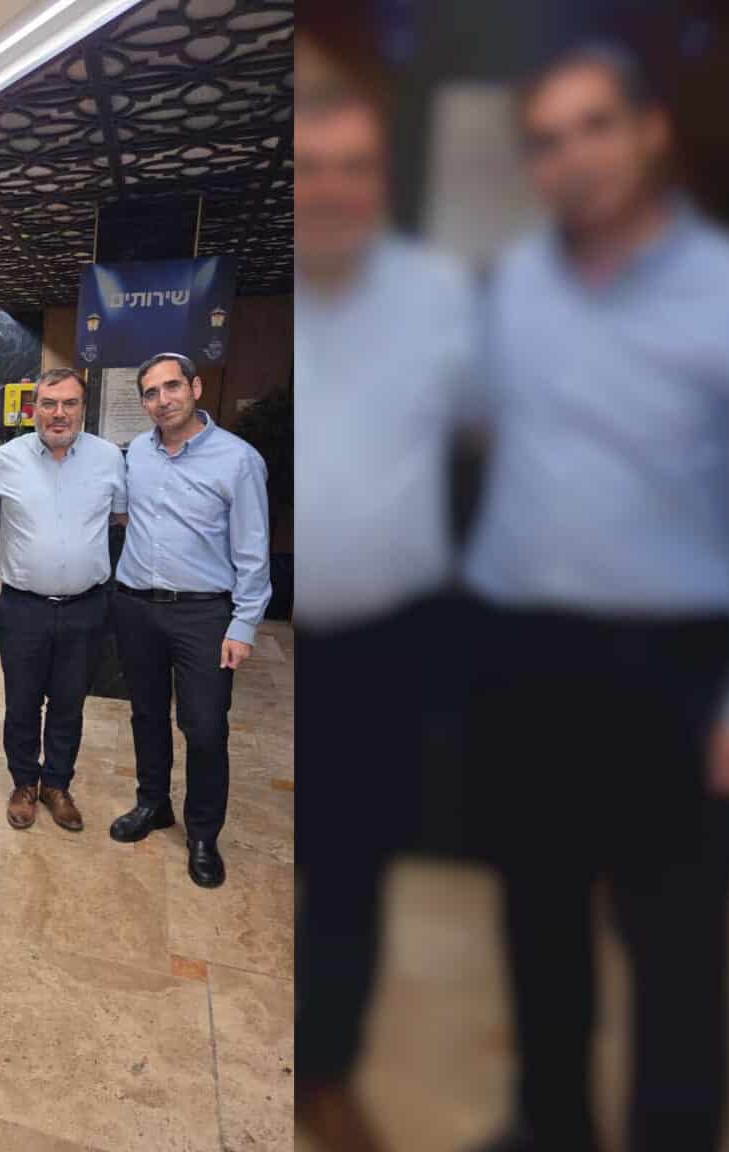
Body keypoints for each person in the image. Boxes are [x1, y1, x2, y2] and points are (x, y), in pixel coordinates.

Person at [463, 42, 729, 1152]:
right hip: (528, 658)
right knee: (538, 923)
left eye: (595, 127)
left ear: (648, 131)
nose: (571, 158)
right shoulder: (516, 290)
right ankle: (550, 1125)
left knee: (674, 949)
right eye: (546, 141)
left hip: (673, 667)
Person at [291, 77, 479, 1152]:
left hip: (387, 641)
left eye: (352, 167)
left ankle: (325, 1071)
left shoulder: (439, 296)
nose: (329, 187)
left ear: (382, 183)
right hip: (300, 637)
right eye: (309, 166)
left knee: (354, 868)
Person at [107, 352, 271, 888]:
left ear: (196, 387)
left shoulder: (238, 460)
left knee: (203, 726)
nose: (163, 400)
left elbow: (253, 550)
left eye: (172, 387)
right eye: (151, 393)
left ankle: (203, 834)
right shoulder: (136, 455)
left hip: (204, 614)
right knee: (147, 714)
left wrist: (243, 624)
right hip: (136, 606)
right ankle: (153, 803)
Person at [0, 367, 127, 833]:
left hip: (86, 608)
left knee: (69, 703)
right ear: (33, 409)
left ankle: (57, 784)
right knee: (21, 703)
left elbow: (122, 517)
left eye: (69, 404)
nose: (59, 413)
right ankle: (24, 783)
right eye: (49, 404)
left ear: (83, 408)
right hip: (23, 609)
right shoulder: (6, 460)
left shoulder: (108, 459)